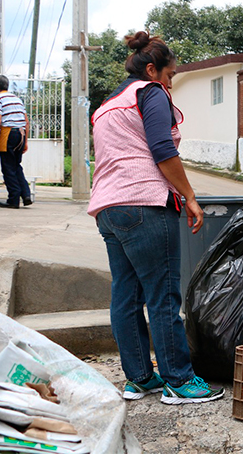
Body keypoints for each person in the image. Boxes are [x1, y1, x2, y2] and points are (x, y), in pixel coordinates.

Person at [87, 31, 223, 405]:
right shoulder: (150, 93)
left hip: (108, 209)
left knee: (126, 295)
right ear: (152, 69)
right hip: (145, 203)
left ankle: (139, 378)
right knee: (163, 294)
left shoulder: (106, 106)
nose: (170, 82)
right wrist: (190, 197)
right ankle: (179, 380)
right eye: (169, 75)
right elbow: (163, 150)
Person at [0, 75, 32, 209]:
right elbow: (26, 122)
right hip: (21, 133)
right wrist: (26, 142)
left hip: (8, 134)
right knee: (16, 165)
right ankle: (26, 194)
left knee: (8, 167)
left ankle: (13, 199)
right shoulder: (17, 99)